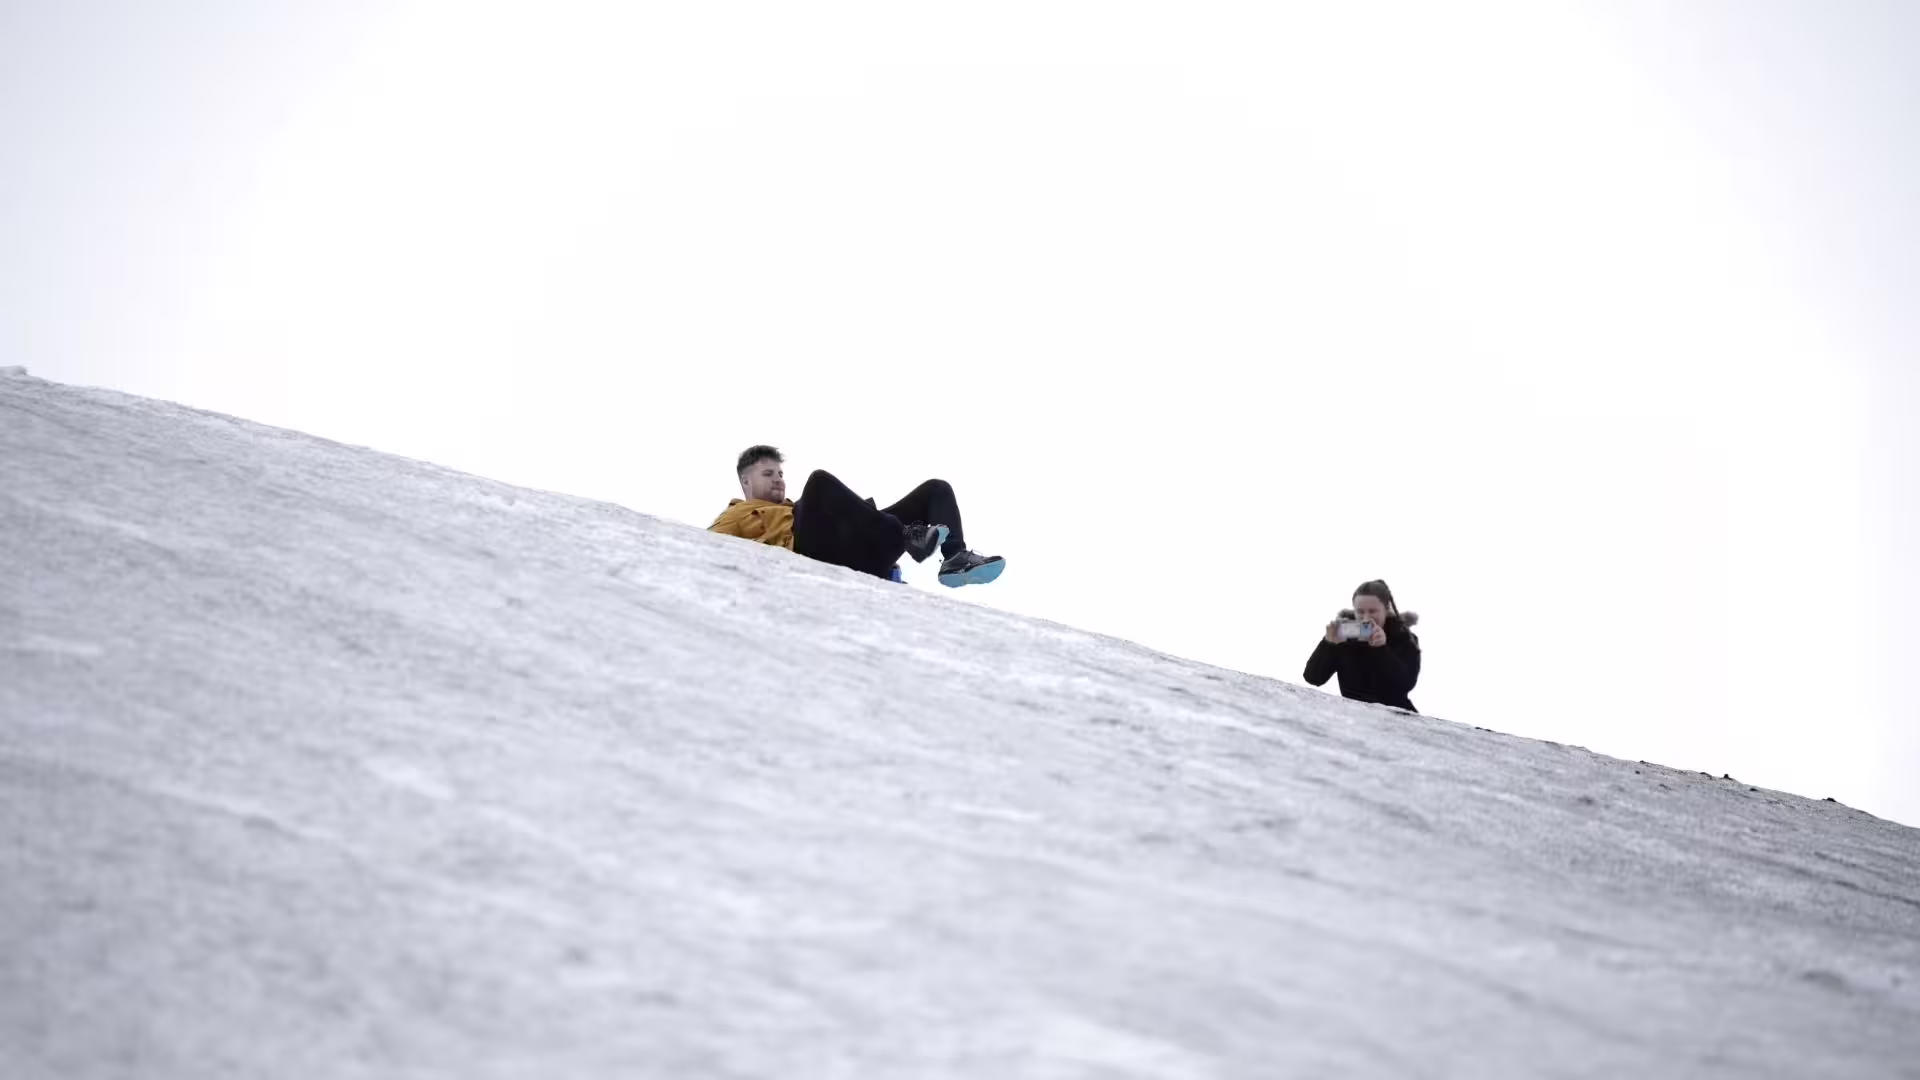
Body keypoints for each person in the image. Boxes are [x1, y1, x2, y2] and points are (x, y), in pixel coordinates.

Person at [709, 445, 1005, 587]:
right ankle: (905, 536)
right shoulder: (736, 514)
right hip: (813, 552)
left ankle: (955, 558)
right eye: (768, 474)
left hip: (860, 549)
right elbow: (702, 547)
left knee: (936, 489)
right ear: (746, 481)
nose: (778, 479)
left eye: (780, 474)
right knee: (818, 482)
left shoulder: (796, 507)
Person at [1303, 579, 1421, 712]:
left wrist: (1382, 650)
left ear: (1386, 609)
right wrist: (1327, 644)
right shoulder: (1344, 635)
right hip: (1355, 716)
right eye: (1360, 612)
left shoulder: (1404, 638)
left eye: (1372, 611)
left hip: (1396, 715)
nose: (1366, 618)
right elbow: (1313, 678)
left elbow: (1405, 685)